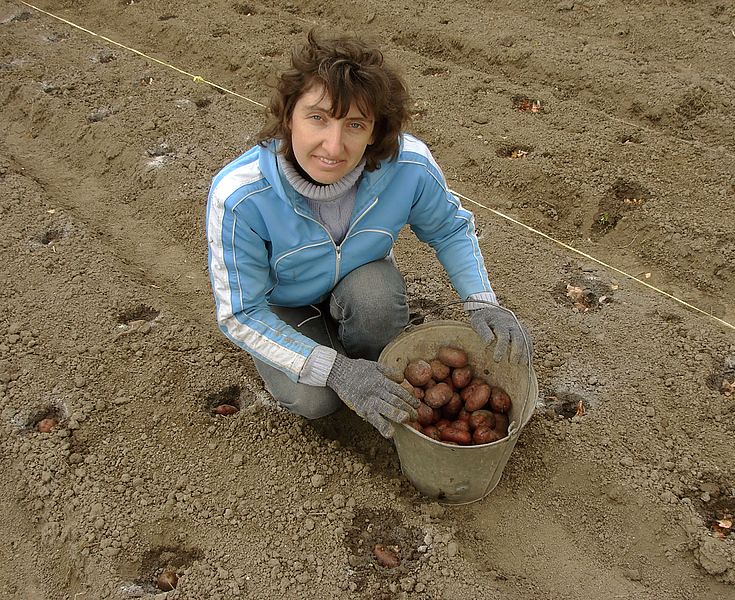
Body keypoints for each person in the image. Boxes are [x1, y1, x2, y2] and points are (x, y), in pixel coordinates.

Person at [206, 30, 531, 439]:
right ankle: (330, 359)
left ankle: (366, 364)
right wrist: (337, 370)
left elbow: (449, 228)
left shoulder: (408, 166)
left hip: (360, 278)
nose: (334, 145)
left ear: (375, 132)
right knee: (316, 400)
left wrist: (482, 301)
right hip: (281, 305)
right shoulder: (241, 196)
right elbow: (241, 313)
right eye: (318, 117)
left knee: (376, 303)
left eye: (355, 124)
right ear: (289, 117)